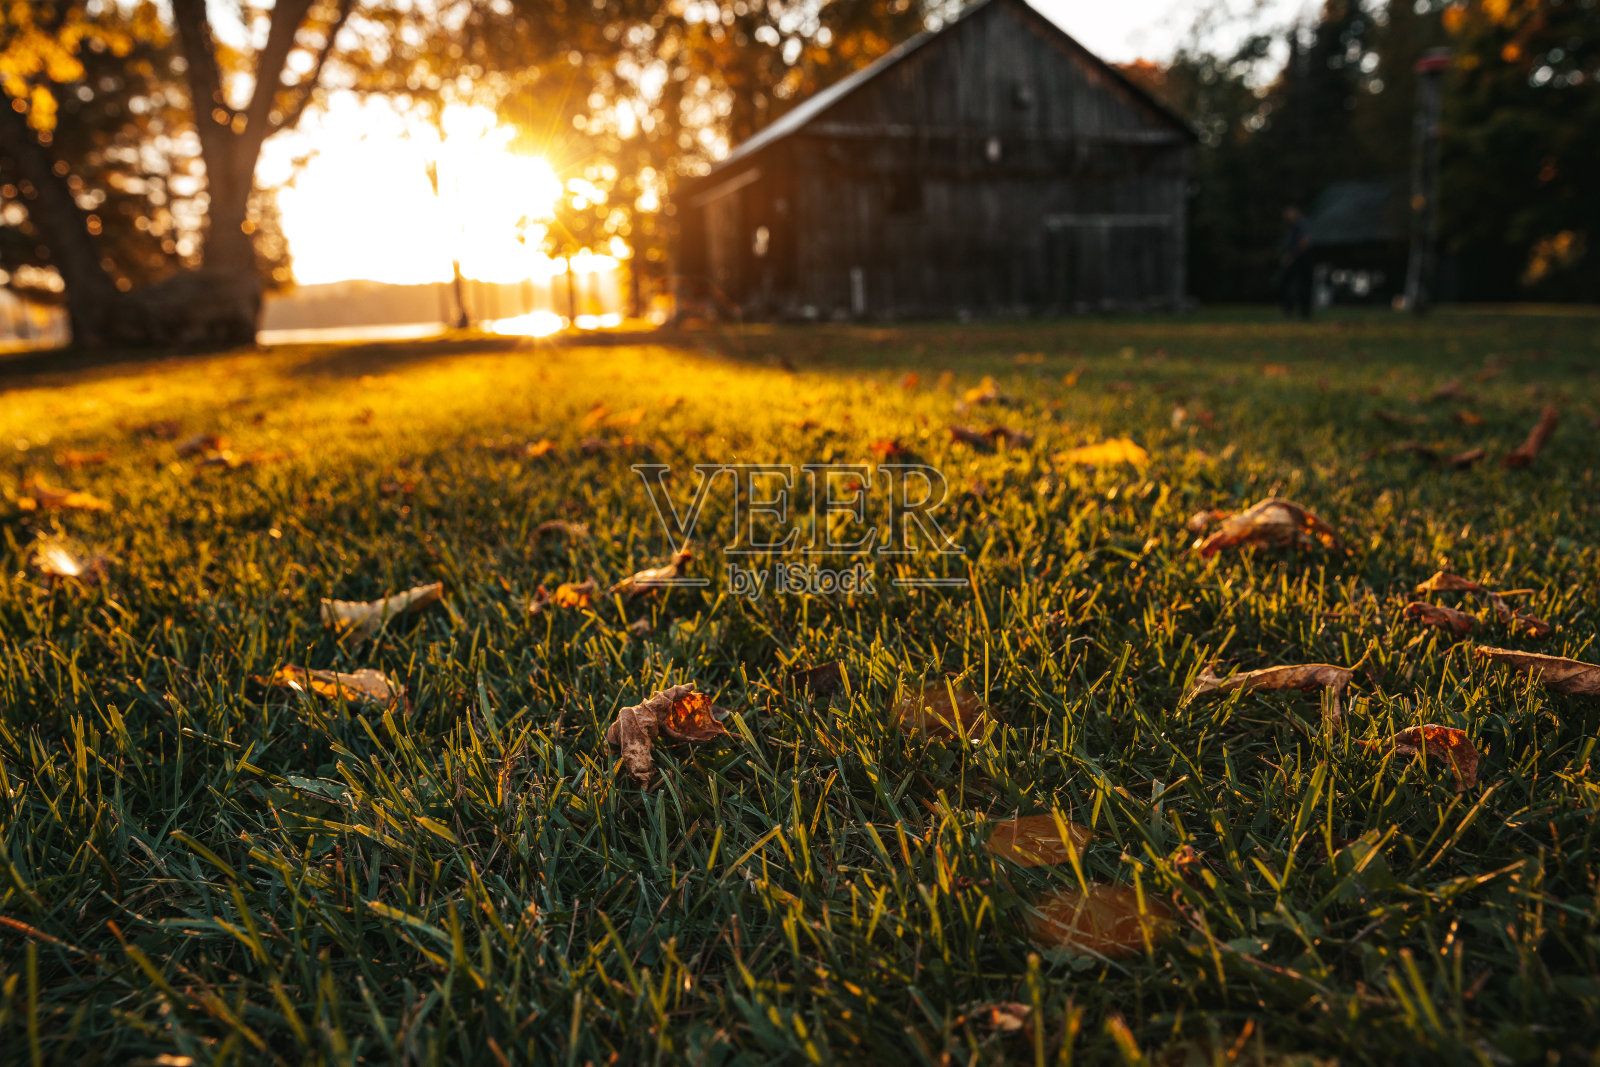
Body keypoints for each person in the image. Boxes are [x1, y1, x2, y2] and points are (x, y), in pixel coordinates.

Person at [1278, 205, 1313, 319]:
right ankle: (1292, 311)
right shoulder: (1293, 227)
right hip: (1296, 259)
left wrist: (1292, 255)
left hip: (1300, 260)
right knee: (1288, 284)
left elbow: (1305, 242)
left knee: (1299, 286)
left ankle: (1302, 313)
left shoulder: (1302, 224)